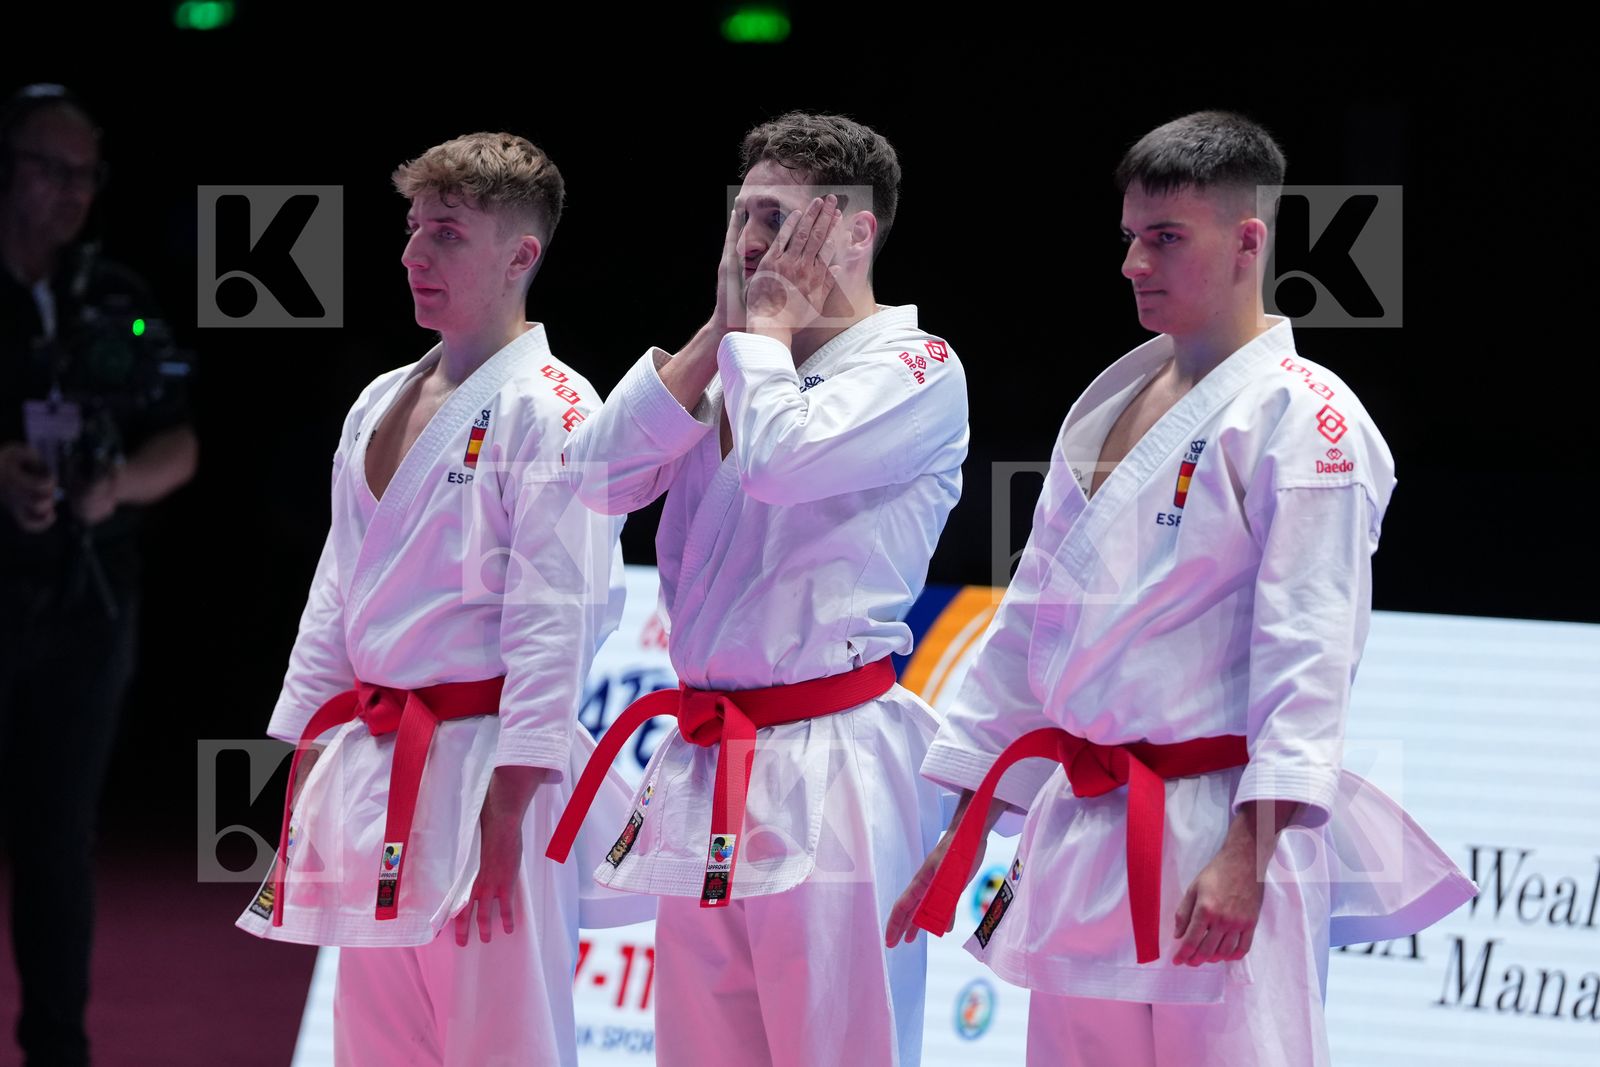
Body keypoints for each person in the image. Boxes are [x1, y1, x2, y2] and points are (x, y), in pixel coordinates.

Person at [887, 111, 1475, 1066]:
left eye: (1166, 238)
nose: (1133, 263)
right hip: (1083, 826)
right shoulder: (1108, 405)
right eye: (1129, 237)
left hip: (1217, 825)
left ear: (1248, 241)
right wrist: (964, 835)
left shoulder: (1306, 416)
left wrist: (1249, 857)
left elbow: (1311, 653)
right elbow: (1030, 632)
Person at [547, 112, 968, 1066]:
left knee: (838, 1049)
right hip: (704, 755)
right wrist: (718, 334)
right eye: (741, 216)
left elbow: (781, 460)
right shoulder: (735, 360)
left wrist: (762, 337)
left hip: (836, 766)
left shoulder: (918, 368)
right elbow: (597, 478)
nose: (748, 242)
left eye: (777, 220)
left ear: (854, 233)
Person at [235, 131, 648, 1067]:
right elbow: (339, 582)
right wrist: (305, 752)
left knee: (503, 1043)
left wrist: (512, 803)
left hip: (487, 767)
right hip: (376, 761)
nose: (414, 255)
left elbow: (561, 614)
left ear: (520, 256)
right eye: (415, 230)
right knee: (376, 1044)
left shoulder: (553, 406)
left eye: (447, 235)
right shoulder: (379, 397)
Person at [0, 83, 197, 1067]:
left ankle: (57, 1049)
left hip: (85, 605)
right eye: (51, 168)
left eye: (87, 173)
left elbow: (184, 442)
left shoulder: (114, 294)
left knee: (57, 839)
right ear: (7, 169)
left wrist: (112, 486)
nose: (73, 190)